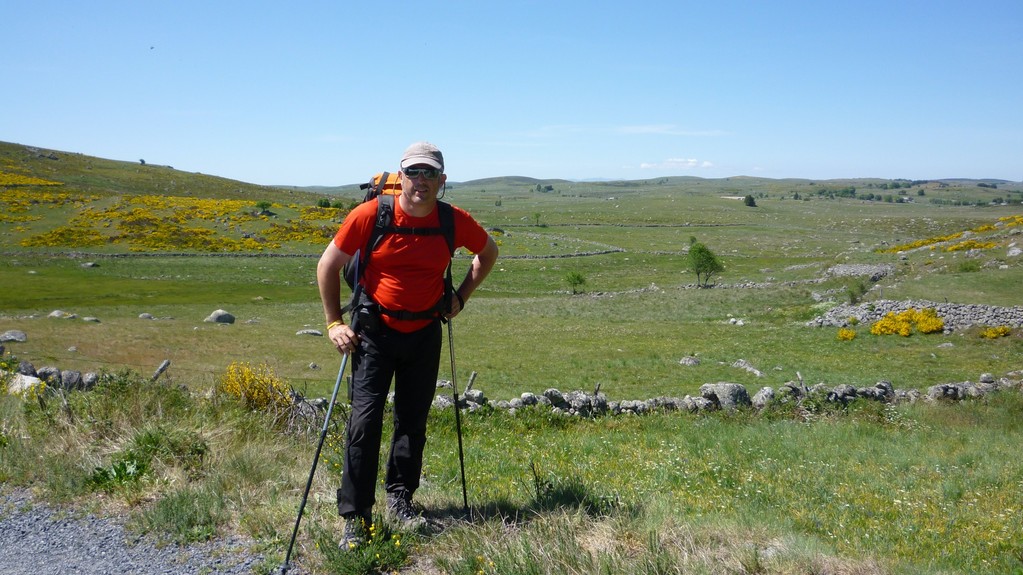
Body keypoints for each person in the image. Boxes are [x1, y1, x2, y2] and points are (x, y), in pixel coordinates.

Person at [316, 142, 498, 549]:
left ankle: (400, 499)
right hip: (374, 332)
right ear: (401, 179)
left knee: (412, 421)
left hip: (424, 332)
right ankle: (356, 517)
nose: (421, 181)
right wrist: (333, 323)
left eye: (429, 173)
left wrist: (462, 296)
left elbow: (487, 253)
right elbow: (327, 265)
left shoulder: (453, 221)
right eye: (414, 172)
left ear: (442, 181)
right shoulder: (371, 214)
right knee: (364, 423)